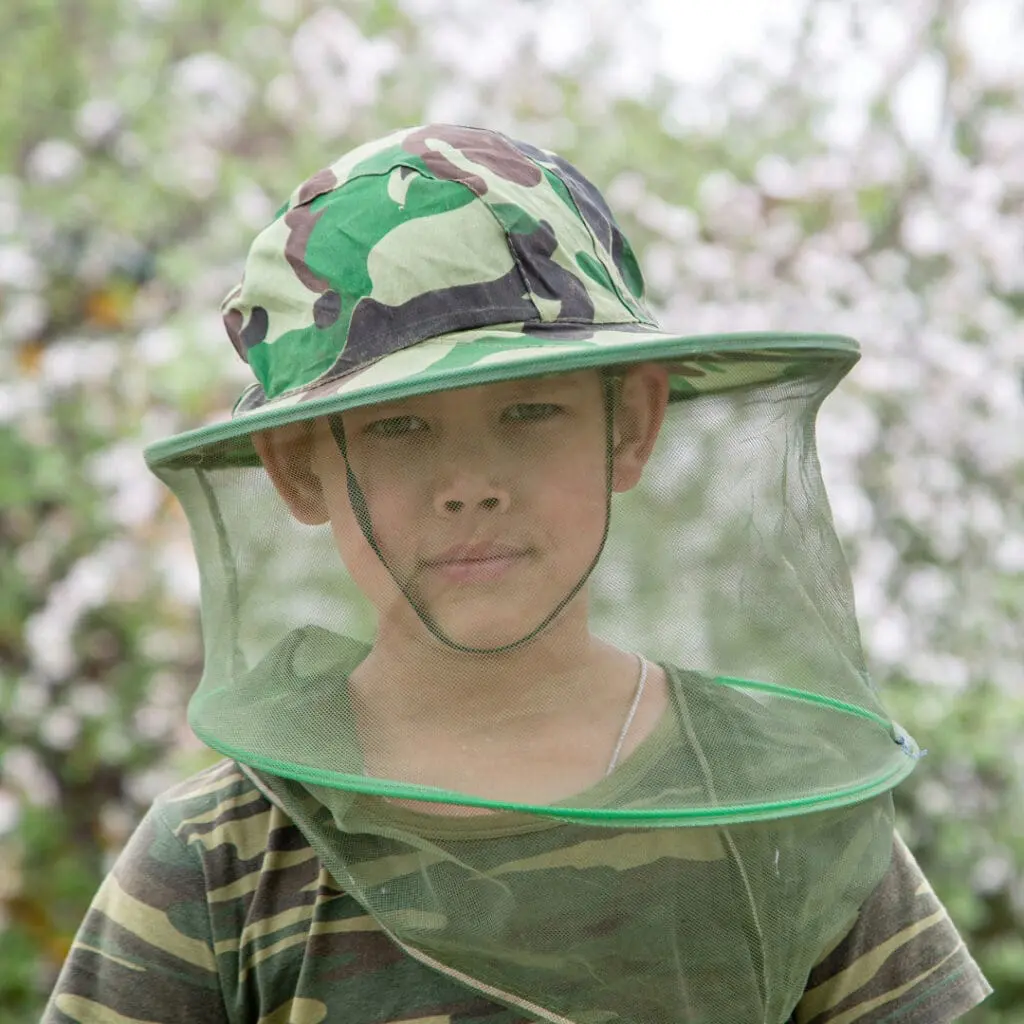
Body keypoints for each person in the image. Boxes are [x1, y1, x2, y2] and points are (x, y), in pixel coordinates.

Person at [44, 124, 991, 1024]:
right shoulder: (222, 857)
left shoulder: (780, 803)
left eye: (531, 412)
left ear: (631, 424)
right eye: (400, 426)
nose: (471, 486)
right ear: (300, 466)